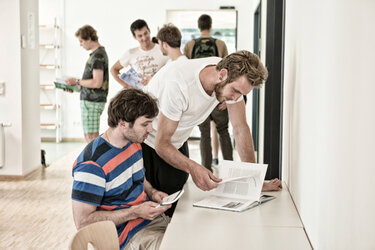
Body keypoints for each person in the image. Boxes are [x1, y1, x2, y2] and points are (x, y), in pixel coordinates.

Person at [142, 50, 282, 217]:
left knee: (176, 208)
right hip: (147, 142)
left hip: (177, 141)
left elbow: (240, 128)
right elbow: (161, 144)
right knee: (151, 208)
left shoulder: (229, 75)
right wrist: (194, 166)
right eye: (235, 91)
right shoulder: (179, 84)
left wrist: (254, 181)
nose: (235, 98)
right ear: (223, 74)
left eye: (241, 95)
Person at [71, 88, 171, 250]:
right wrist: (135, 212)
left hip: (151, 222)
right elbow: (83, 222)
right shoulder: (92, 165)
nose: (151, 129)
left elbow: (138, 178)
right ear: (122, 123)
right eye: (145, 124)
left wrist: (152, 192)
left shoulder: (134, 142)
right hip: (127, 237)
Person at [184, 14, 232, 171]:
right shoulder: (220, 44)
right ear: (210, 26)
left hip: (200, 98)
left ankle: (206, 169)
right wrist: (226, 99)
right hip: (218, 97)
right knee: (223, 131)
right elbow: (228, 73)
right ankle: (230, 168)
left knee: (204, 134)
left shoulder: (190, 45)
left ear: (199, 27)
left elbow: (188, 73)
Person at [66, 25, 109, 144]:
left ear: (89, 38)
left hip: (92, 102)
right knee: (89, 136)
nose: (81, 44)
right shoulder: (96, 55)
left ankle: (93, 162)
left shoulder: (98, 56)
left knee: (91, 137)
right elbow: (93, 82)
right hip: (90, 101)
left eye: (81, 41)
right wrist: (74, 87)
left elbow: (97, 82)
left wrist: (77, 81)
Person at [111, 19, 168, 88]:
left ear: (149, 31)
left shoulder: (163, 49)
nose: (144, 38)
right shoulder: (131, 53)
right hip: (141, 95)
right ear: (135, 37)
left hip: (160, 93)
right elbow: (114, 69)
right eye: (140, 36)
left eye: (145, 33)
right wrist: (127, 86)